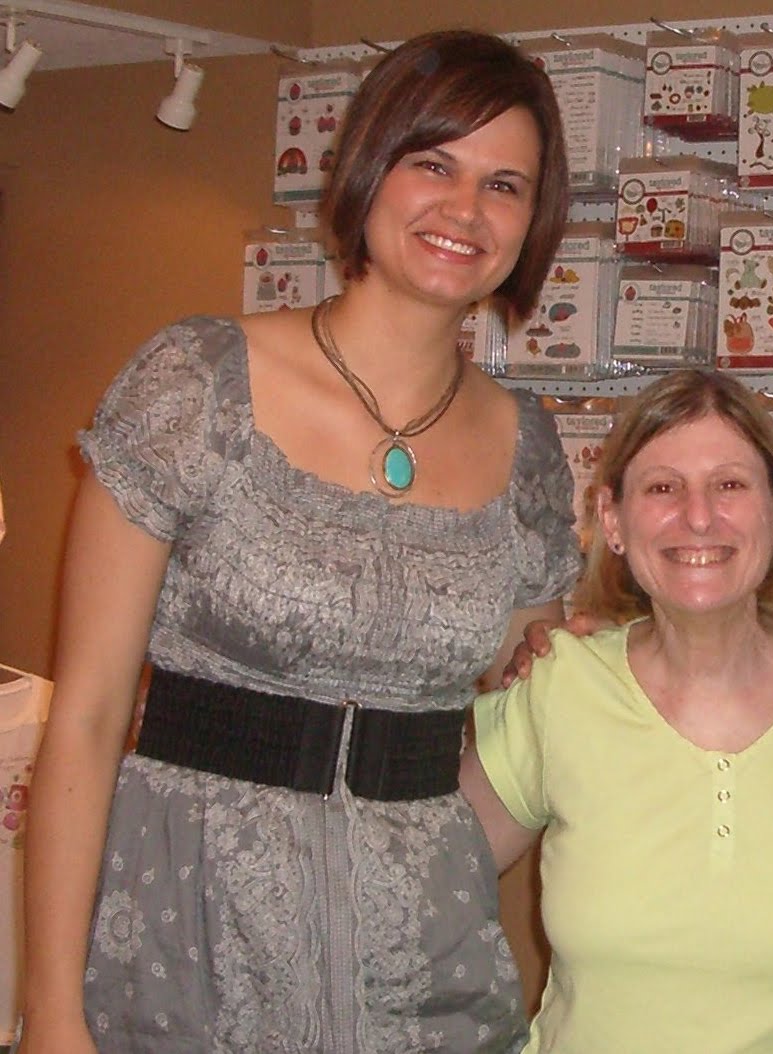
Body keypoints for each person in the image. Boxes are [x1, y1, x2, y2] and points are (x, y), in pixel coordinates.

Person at [21, 30, 580, 1054]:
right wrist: (54, 1015)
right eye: (434, 164)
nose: (465, 210)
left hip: (420, 965)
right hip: (188, 936)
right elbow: (88, 718)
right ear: (369, 168)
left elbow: (539, 698)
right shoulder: (199, 383)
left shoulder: (525, 446)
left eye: (504, 184)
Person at [459, 369, 773, 1053]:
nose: (699, 516)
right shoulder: (560, 686)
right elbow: (430, 875)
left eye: (730, 484)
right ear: (612, 521)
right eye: (662, 488)